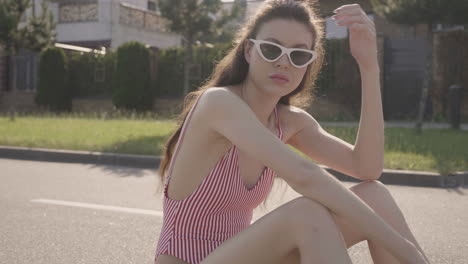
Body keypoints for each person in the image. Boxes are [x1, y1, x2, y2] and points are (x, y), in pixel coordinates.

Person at [154, 0, 430, 263]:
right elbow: (305, 175)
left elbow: (367, 168)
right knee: (306, 214)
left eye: (298, 54)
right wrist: (405, 250)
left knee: (375, 196)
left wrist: (369, 65)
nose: (284, 62)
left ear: (308, 63)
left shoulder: (289, 123)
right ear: (249, 50)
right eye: (272, 49)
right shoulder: (218, 103)